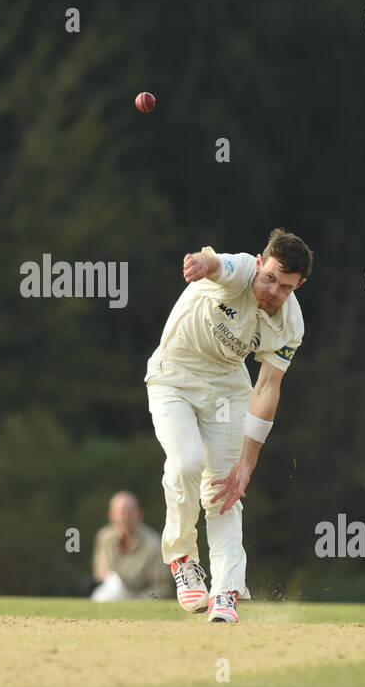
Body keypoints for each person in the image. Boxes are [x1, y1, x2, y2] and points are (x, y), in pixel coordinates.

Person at [144, 228, 311, 623]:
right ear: (260, 263)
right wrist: (203, 264)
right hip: (174, 376)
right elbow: (218, 264)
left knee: (225, 489)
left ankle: (225, 593)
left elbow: (267, 389)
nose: (273, 291)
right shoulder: (239, 270)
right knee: (184, 464)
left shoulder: (291, 325)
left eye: (286, 287)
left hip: (227, 390)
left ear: (299, 285)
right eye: (270, 278)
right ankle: (183, 558)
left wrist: (247, 465)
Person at [89, 492, 172, 601]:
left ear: (139, 514)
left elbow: (163, 587)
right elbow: (100, 572)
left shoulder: (153, 544)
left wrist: (137, 598)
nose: (125, 517)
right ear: (111, 516)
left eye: (130, 512)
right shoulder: (104, 538)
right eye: (121, 513)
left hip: (143, 599)